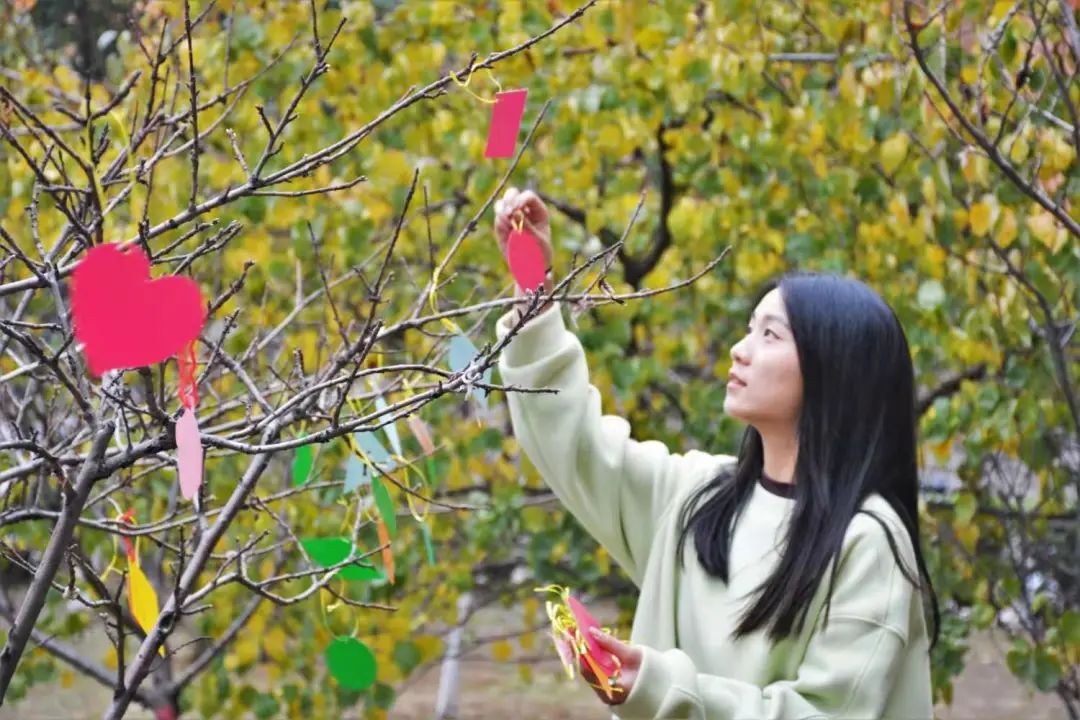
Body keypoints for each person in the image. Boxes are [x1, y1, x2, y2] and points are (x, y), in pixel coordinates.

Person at [492, 187, 940, 720]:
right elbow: (573, 442)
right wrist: (533, 286)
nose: (739, 350)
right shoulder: (697, 496)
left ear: (833, 370)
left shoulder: (868, 541)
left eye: (770, 335)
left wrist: (658, 688)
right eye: (750, 329)